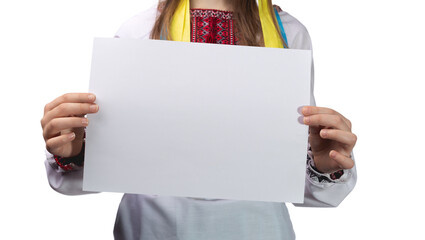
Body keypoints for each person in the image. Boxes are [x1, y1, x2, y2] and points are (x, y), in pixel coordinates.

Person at [41, 0, 357, 239]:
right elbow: (103, 171)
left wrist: (324, 163)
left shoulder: (288, 33)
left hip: (254, 227)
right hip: (152, 226)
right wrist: (75, 151)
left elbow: (293, 178)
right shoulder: (138, 31)